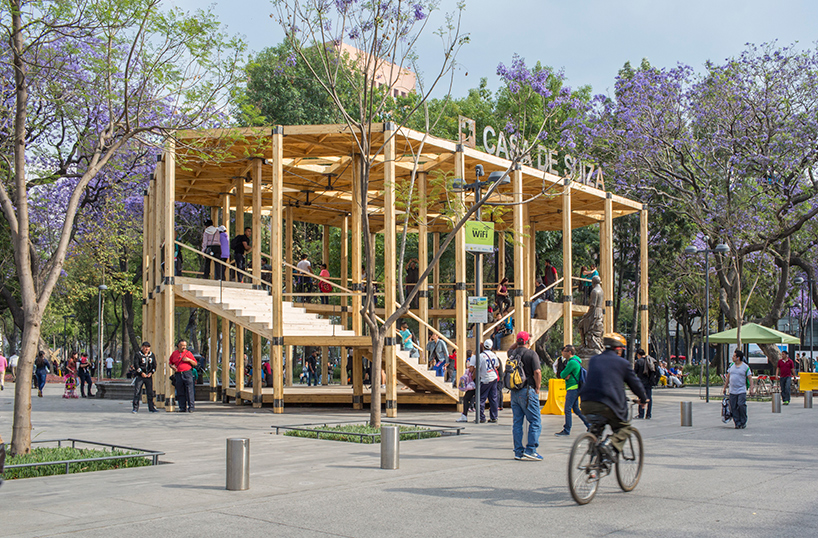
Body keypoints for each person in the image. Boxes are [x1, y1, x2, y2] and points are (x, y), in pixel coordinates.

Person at [579, 333, 648, 460]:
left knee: (597, 426)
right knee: (624, 427)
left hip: (586, 403)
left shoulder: (594, 360)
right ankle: (610, 445)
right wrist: (643, 399)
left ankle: (593, 446)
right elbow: (635, 384)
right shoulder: (622, 363)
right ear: (618, 349)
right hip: (608, 404)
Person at [509, 331, 543, 461]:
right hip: (528, 391)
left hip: (515, 392)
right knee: (535, 421)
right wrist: (538, 388)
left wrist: (517, 343)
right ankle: (531, 450)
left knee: (517, 422)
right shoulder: (531, 354)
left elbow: (509, 348)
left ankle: (518, 451)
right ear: (528, 342)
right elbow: (537, 372)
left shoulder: (512, 354)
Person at [555, 344, 590, 435]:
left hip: (572, 388)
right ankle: (589, 425)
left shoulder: (572, 363)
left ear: (569, 352)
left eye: (565, 351)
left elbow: (562, 374)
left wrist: (565, 375)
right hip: (575, 387)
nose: (563, 353)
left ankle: (567, 429)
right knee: (576, 409)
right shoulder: (576, 361)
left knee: (567, 409)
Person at [471, 339, 500, 423]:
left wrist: (472, 378)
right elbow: (497, 366)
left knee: (481, 398)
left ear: (484, 346)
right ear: (491, 346)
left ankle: (481, 417)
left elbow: (477, 369)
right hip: (494, 378)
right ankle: (494, 417)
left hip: (485, 379)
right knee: (493, 398)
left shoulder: (480, 356)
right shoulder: (494, 355)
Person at [723, 350, 751, 428]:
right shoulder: (731, 365)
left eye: (734, 356)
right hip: (732, 390)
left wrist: (751, 388)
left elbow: (750, 378)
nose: (732, 357)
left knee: (741, 404)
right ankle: (737, 422)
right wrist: (725, 387)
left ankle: (743, 421)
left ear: (738, 358)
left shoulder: (745, 367)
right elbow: (728, 377)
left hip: (741, 390)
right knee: (733, 406)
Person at [169, 340, 197, 412]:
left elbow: (195, 363)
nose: (184, 347)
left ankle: (191, 407)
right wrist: (172, 367)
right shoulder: (174, 353)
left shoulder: (188, 353)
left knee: (189, 390)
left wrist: (189, 360)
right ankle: (182, 407)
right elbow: (170, 362)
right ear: (178, 345)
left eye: (185, 345)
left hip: (187, 373)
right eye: (182, 345)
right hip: (178, 373)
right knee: (180, 390)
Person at [132, 342, 158, 413]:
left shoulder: (151, 355)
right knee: (137, 391)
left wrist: (151, 372)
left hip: (148, 376)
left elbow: (154, 365)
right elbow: (136, 365)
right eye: (145, 347)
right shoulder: (138, 355)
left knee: (150, 392)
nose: (147, 349)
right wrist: (141, 373)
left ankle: (151, 407)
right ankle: (135, 408)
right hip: (140, 376)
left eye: (148, 347)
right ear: (142, 347)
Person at [634, 348, 657, 419]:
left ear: (638, 354)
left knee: (641, 397)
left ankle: (641, 414)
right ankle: (649, 414)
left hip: (641, 382)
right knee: (649, 398)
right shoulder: (650, 360)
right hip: (649, 382)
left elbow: (634, 372)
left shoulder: (638, 362)